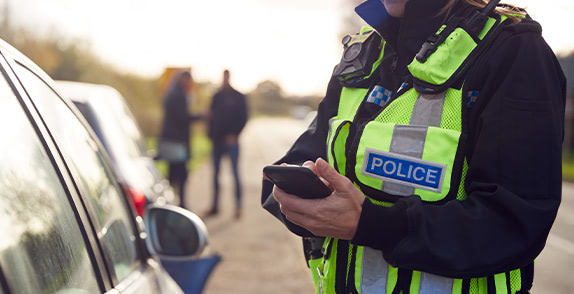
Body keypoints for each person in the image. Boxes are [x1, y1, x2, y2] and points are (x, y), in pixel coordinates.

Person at [261, 0, 565, 293]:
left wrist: (370, 224)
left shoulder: (513, 51)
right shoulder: (363, 51)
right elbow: (303, 158)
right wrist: (298, 200)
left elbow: (514, 224)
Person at [207, 69, 248, 218]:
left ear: (229, 77)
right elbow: (211, 116)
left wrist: (235, 135)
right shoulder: (216, 96)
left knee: (235, 174)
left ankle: (238, 207)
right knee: (215, 174)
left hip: (232, 141)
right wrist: (210, 136)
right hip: (217, 141)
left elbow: (244, 118)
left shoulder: (239, 97)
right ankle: (215, 206)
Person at [158, 71, 202, 209]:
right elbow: (183, 117)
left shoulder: (173, 93)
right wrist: (200, 116)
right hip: (176, 143)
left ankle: (169, 204)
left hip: (172, 141)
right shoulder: (179, 95)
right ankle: (179, 204)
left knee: (173, 174)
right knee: (180, 175)